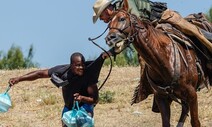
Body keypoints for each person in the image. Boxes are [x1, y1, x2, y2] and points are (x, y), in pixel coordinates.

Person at [8, 51, 111, 127]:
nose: (81, 68)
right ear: (71, 65)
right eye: (78, 65)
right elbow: (39, 74)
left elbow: (95, 100)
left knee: (83, 123)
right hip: (68, 108)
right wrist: (19, 79)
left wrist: (82, 98)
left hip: (85, 107)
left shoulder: (89, 74)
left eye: (83, 65)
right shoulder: (62, 71)